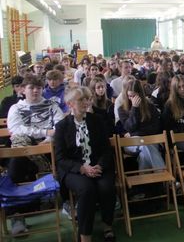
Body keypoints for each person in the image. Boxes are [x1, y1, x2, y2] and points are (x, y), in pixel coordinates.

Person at [54, 86, 116, 242]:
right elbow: (60, 158)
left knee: (107, 187)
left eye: (88, 99)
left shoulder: (97, 121)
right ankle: (85, 235)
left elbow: (107, 150)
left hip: (98, 165)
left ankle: (107, 225)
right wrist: (82, 168)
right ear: (70, 104)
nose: (86, 102)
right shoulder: (62, 126)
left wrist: (100, 166)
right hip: (74, 170)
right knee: (87, 189)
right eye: (81, 99)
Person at [6, 74, 65, 234]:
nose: (35, 91)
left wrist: (48, 139)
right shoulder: (16, 108)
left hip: (49, 148)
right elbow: (17, 130)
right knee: (16, 163)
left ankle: (69, 203)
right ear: (23, 90)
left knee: (66, 155)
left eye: (38, 88)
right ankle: (17, 216)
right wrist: (46, 131)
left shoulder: (52, 105)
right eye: (31, 88)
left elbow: (61, 125)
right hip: (25, 152)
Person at [118, 78, 164, 170]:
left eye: (134, 96)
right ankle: (163, 174)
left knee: (144, 152)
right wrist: (135, 108)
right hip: (131, 143)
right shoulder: (122, 109)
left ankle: (144, 181)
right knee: (145, 145)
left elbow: (155, 128)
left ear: (140, 95)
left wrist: (134, 134)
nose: (131, 99)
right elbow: (129, 127)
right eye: (129, 96)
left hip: (150, 140)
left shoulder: (150, 107)